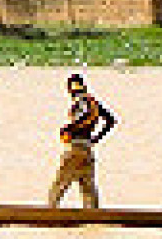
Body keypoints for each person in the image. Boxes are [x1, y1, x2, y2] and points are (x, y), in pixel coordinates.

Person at [47, 72, 116, 208]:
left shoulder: (82, 100)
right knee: (87, 186)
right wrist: (97, 138)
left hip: (75, 148)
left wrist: (70, 128)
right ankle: (92, 216)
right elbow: (110, 120)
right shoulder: (93, 101)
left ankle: (49, 214)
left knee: (60, 183)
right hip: (87, 148)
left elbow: (84, 115)